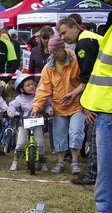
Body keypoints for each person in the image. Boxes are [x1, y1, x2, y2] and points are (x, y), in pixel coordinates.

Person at [57, 17, 103, 185]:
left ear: (75, 28)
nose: (63, 38)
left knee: (94, 137)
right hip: (102, 94)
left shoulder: (84, 44)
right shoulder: (93, 37)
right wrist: (74, 94)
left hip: (101, 97)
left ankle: (92, 174)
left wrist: (86, 104)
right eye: (60, 35)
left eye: (64, 33)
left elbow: (89, 78)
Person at [32, 35, 84, 175]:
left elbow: (84, 81)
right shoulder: (48, 68)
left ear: (63, 49)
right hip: (58, 106)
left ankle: (74, 162)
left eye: (56, 51)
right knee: (59, 135)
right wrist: (37, 106)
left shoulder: (76, 61)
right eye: (51, 52)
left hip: (77, 105)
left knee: (75, 132)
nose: (53, 55)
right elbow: (44, 89)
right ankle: (60, 162)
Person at [79, 10, 112, 213]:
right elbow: (101, 71)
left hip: (106, 110)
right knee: (104, 167)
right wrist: (89, 101)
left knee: (105, 167)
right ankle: (104, 212)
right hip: (102, 109)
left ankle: (104, 211)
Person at [7, 74, 51, 171]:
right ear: (22, 89)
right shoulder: (19, 99)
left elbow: (47, 104)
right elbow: (11, 106)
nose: (31, 86)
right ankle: (15, 161)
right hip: (24, 123)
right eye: (28, 85)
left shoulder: (39, 96)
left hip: (37, 122)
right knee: (20, 143)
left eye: (32, 84)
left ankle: (43, 162)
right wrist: (11, 113)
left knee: (40, 143)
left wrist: (49, 110)